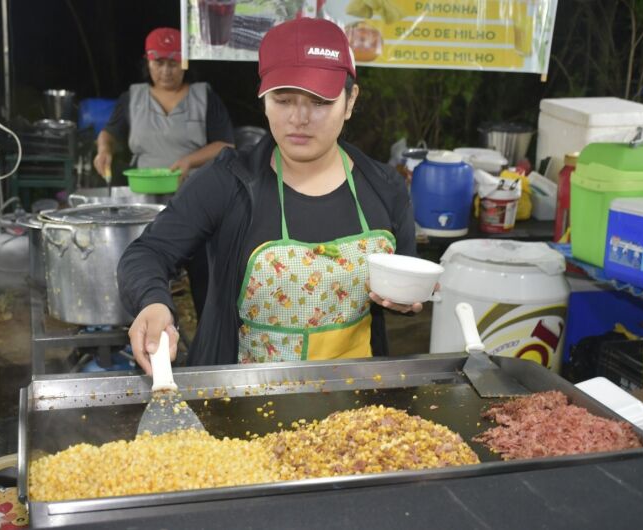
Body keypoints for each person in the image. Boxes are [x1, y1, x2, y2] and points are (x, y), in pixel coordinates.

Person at [118, 18, 421, 373]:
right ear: (263, 99)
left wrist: (404, 300)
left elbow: (404, 282)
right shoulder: (228, 183)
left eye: (320, 102)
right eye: (283, 99)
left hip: (355, 396)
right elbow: (147, 253)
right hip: (244, 399)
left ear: (350, 101)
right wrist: (153, 303)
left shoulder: (385, 187)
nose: (299, 118)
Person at [95, 27, 234, 319]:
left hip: (197, 200)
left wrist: (189, 161)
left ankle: (208, 330)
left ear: (185, 64)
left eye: (174, 63)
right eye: (159, 63)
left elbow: (226, 144)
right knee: (145, 267)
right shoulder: (132, 98)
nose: (166, 71)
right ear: (148, 62)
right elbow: (110, 133)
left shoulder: (204, 96)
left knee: (205, 274)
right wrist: (104, 149)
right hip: (144, 202)